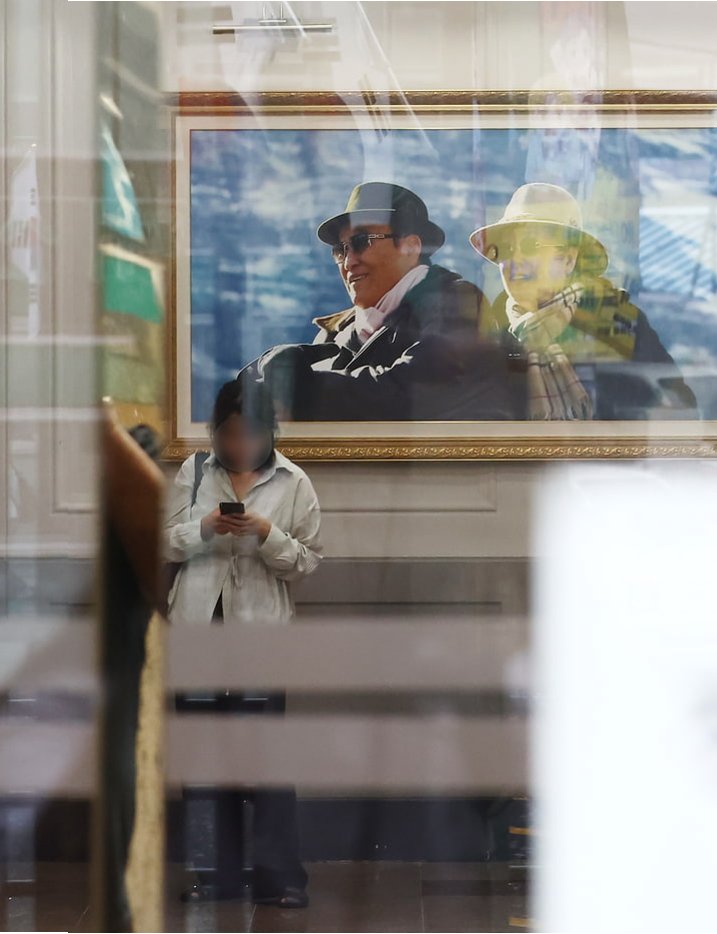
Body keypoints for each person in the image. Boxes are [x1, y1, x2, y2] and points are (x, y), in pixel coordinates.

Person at [162, 379, 320, 909]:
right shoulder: (193, 474)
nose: (239, 445)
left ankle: (281, 877)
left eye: (251, 433)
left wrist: (266, 534)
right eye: (229, 433)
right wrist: (206, 527)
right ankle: (216, 874)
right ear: (216, 432)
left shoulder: (293, 481)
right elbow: (164, 543)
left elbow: (306, 562)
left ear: (270, 432)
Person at [242, 181, 524, 421]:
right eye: (340, 250)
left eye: (362, 241)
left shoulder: (460, 304)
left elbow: (412, 392)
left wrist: (299, 387)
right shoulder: (337, 333)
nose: (349, 262)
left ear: (411, 246)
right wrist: (269, 370)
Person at [470, 182, 697, 420]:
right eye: (506, 248)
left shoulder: (615, 323)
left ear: (569, 260)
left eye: (530, 245)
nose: (515, 260)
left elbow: (678, 412)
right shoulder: (489, 330)